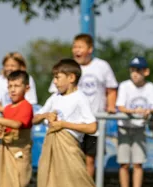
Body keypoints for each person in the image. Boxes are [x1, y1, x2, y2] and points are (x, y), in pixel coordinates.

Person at [34, 59, 123, 187]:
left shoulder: (80, 98)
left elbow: (92, 126)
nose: (55, 82)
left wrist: (64, 124)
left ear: (71, 78)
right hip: (51, 146)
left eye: (57, 77)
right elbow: (35, 117)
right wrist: (45, 116)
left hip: (69, 148)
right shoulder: (55, 98)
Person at [49, 34, 119, 178]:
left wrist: (111, 106)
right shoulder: (67, 67)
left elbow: (111, 89)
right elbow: (55, 92)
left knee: (90, 158)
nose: (77, 50)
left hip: (92, 122)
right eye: (74, 46)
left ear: (90, 49)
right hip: (70, 122)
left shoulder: (102, 66)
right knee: (72, 157)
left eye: (80, 47)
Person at [116, 57, 153, 187]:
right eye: (133, 70)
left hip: (139, 128)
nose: (135, 74)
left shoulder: (150, 87)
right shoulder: (124, 86)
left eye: (138, 71)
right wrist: (134, 111)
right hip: (124, 127)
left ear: (146, 72)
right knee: (123, 163)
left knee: (137, 163)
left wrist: (148, 111)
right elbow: (120, 106)